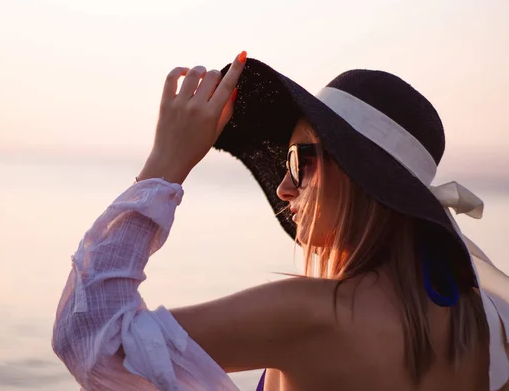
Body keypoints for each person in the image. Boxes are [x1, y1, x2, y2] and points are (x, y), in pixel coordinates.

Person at [52, 52, 509, 390]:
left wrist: (163, 167)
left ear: (357, 175)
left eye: (299, 161)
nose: (284, 188)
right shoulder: (482, 324)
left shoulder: (315, 314)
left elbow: (91, 337)